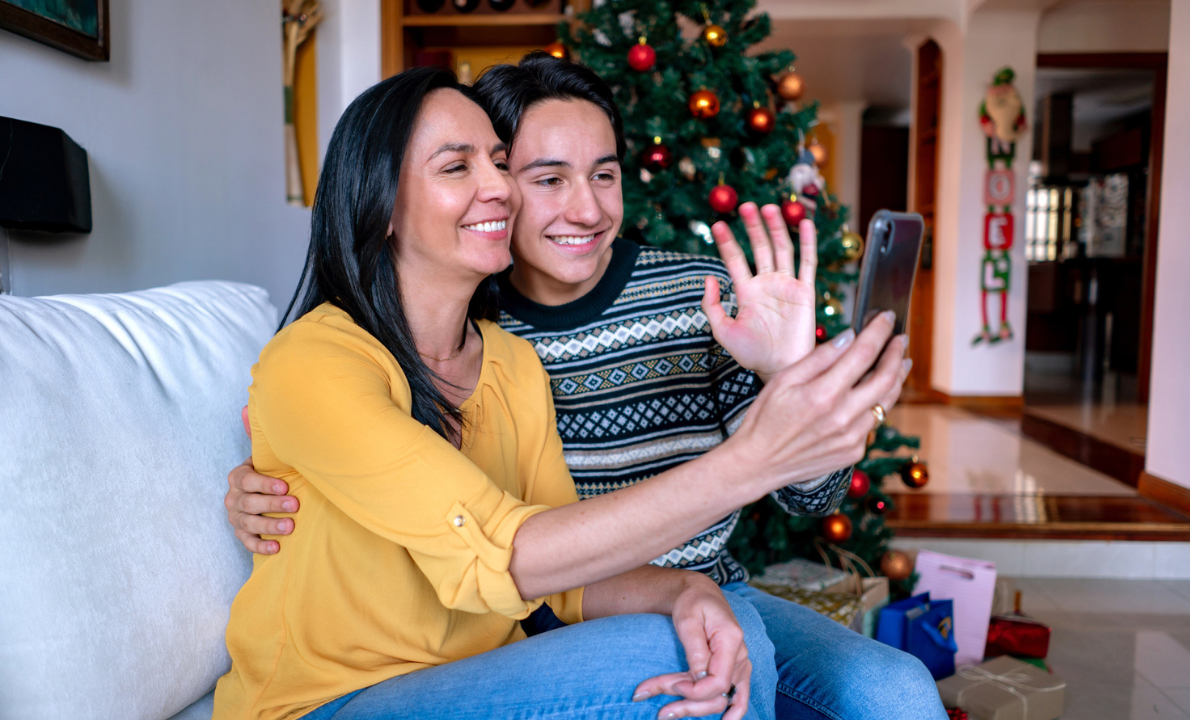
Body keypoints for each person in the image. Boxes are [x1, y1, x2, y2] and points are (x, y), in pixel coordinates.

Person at [222, 58, 932, 719]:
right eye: (542, 176)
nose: (581, 209)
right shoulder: (333, 353)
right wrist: (269, 475)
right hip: (355, 689)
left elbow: (809, 497)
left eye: (602, 175)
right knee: (681, 653)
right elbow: (501, 550)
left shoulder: (540, 348)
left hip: (611, 609)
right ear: (381, 202)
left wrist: (694, 580)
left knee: (889, 685)